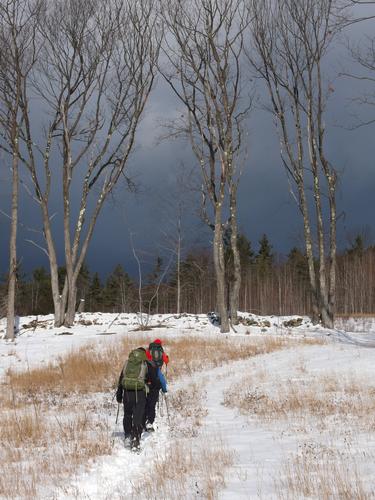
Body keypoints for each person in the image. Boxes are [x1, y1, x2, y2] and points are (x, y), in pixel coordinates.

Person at [116, 347, 158, 450]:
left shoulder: (127, 364)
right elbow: (154, 382)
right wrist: (152, 393)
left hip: (127, 393)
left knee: (127, 414)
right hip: (140, 394)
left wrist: (119, 395)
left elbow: (121, 379)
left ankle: (127, 436)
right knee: (138, 416)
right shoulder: (146, 364)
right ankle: (135, 439)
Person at [143, 339, 169, 431]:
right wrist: (164, 388)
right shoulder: (161, 350)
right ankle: (150, 421)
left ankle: (144, 420)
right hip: (156, 373)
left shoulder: (148, 349)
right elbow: (166, 360)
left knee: (146, 401)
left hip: (146, 375)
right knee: (152, 402)